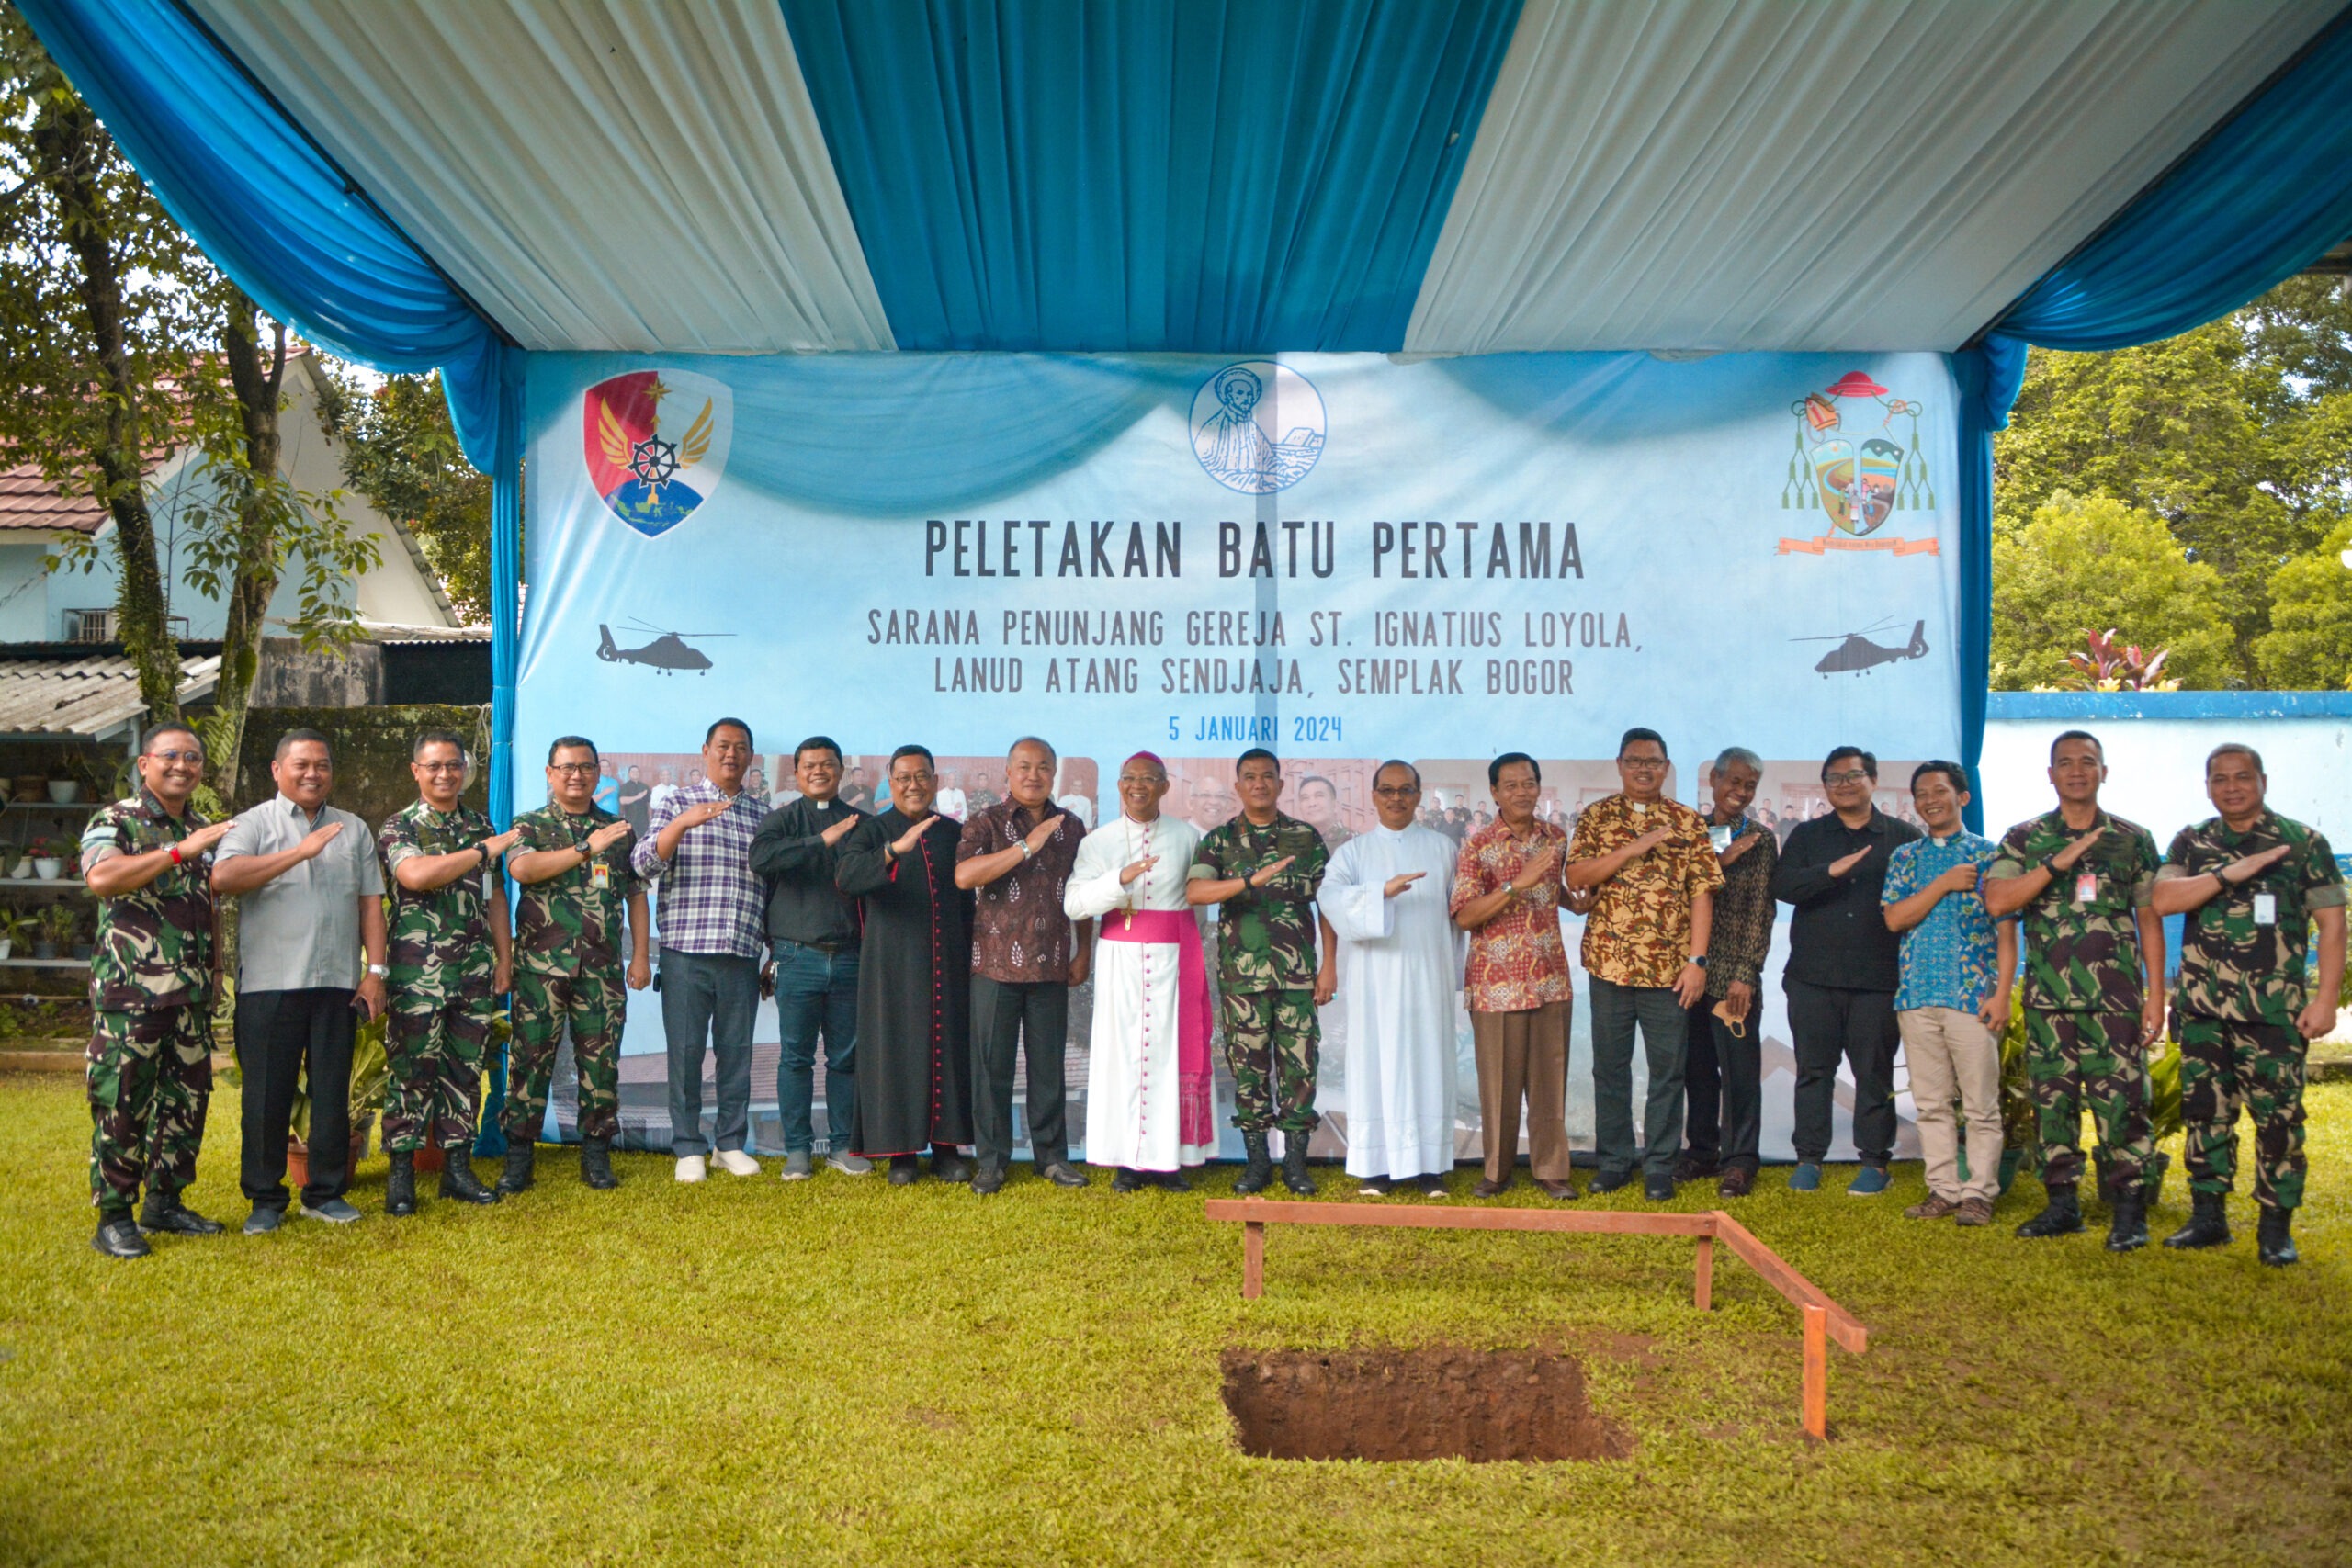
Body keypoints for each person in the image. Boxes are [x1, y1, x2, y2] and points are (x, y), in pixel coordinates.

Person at [2151, 743, 2345, 1266]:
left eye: (2242, 777)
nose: (2231, 787)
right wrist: (2228, 874)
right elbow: (2164, 900)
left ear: (2263, 780)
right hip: (2201, 1011)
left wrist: (2324, 1000)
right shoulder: (2192, 842)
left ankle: (2275, 1227)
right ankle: (2208, 1217)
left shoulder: (2303, 842)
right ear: (2207, 785)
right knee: (2204, 1115)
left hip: (2274, 1014)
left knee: (2279, 1119)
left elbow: (2331, 926)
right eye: (2220, 779)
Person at [1984, 730, 2165, 1249]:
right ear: (2050, 774)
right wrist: (2056, 864)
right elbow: (1998, 901)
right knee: (2052, 1105)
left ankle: (2130, 1212)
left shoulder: (2133, 839)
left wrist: (2156, 996)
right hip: (2048, 1004)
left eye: (2088, 762)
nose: (2077, 771)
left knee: (2125, 1106)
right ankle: (2062, 1206)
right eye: (2066, 763)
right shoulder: (2025, 838)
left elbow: (2149, 919)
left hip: (2117, 1003)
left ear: (2104, 771)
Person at [212, 729, 387, 1231]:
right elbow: (223, 878)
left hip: (336, 981)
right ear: (276, 770)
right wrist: (300, 853)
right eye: (302, 764)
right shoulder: (252, 824)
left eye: (323, 765)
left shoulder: (353, 829)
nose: (313, 774)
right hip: (270, 984)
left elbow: (369, 904)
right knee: (266, 1095)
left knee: (332, 1092)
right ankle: (266, 1200)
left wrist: (374, 974)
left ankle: (325, 1193)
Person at [80, 724, 235, 1258]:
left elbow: (207, 903)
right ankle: (115, 1216)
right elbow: (102, 879)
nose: (182, 766)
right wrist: (177, 851)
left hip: (190, 993)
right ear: (145, 763)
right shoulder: (116, 820)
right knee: (123, 1101)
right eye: (171, 756)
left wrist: (215, 970)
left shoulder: (198, 825)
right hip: (131, 995)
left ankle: (165, 1202)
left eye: (192, 757)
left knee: (185, 1101)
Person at [1566, 728, 1721, 1201]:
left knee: (1667, 1072)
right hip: (1609, 966)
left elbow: (1702, 893)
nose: (1643, 769)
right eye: (1634, 761)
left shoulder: (1687, 822)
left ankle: (1659, 1165)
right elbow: (1576, 876)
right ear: (1619, 765)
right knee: (1609, 1068)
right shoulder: (1597, 818)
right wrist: (1631, 849)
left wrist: (1697, 961)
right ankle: (1613, 1161)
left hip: (1670, 972)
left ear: (1666, 766)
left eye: (1653, 761)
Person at [377, 729, 516, 1215]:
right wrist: (482, 851)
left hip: (474, 971)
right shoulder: (400, 826)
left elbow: (496, 896)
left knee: (465, 1069)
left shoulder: (481, 822)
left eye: (453, 765)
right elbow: (414, 875)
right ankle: (401, 1174)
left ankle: (457, 1168)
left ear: (464, 770)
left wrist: (504, 957)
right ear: (416, 771)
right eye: (434, 766)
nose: (444, 774)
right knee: (411, 1070)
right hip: (417, 974)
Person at [503, 736, 650, 1192]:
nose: (576, 775)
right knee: (530, 1061)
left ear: (597, 773)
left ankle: (596, 1153)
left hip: (602, 970)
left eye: (586, 767)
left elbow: (636, 894)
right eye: (566, 767)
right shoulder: (529, 825)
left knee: (601, 1064)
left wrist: (641, 954)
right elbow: (523, 871)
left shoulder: (618, 828)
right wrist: (586, 848)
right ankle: (518, 1156)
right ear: (549, 773)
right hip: (539, 969)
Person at [1770, 746, 1919, 1197]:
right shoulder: (1808, 836)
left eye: (1854, 775)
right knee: (1814, 1071)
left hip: (1878, 979)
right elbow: (1784, 886)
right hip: (1813, 977)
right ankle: (1809, 1158)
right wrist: (1830, 872)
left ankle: (1875, 1162)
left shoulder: (1904, 837)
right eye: (1834, 779)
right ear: (1825, 788)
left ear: (1873, 779)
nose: (1845, 784)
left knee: (1873, 1072)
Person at [1064, 753, 1216, 1189]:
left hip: (1173, 958)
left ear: (1165, 787)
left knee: (1169, 1057)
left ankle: (1169, 1160)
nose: (1138, 786)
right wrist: (1119, 880)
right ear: (1119, 785)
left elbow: (1199, 905)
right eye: (1129, 778)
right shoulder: (1099, 842)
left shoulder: (1188, 837)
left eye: (1148, 780)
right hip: (1119, 960)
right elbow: (1074, 905)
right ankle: (1127, 1161)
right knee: (1122, 1056)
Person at [1189, 748, 1333, 1196]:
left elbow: (1329, 904)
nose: (1258, 784)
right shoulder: (1220, 840)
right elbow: (1196, 891)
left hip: (1297, 979)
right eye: (1249, 777)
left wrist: (1329, 966)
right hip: (1242, 981)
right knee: (1248, 1070)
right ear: (1237, 787)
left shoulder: (1304, 837)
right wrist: (1249, 880)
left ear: (1280, 784)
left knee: (1299, 1068)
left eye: (1267, 776)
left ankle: (1295, 1165)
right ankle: (1256, 1165)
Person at [1317, 761, 1464, 1197]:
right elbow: (1328, 898)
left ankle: (1430, 1164)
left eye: (1405, 790)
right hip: (1374, 980)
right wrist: (1380, 891)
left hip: (1427, 974)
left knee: (1429, 1061)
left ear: (1419, 796)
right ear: (1374, 796)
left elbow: (1460, 913)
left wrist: (1454, 972)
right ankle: (1375, 1164)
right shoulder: (1354, 852)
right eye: (1387, 790)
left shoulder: (1443, 848)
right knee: (1375, 1063)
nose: (1396, 798)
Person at [955, 737, 1092, 1194]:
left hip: (1052, 965)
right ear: (1008, 773)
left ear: (1054, 774)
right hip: (994, 967)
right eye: (1024, 767)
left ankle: (1052, 1159)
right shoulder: (985, 821)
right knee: (991, 1068)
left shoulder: (1072, 826)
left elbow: (1085, 893)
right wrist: (1027, 847)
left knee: (1048, 1067)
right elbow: (964, 876)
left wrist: (1083, 951)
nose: (1033, 775)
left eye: (1043, 767)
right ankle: (991, 1162)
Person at [631, 718, 767, 1182]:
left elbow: (770, 888)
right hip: (687, 952)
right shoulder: (676, 801)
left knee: (737, 1053)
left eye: (741, 748)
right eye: (723, 746)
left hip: (742, 954)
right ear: (705, 751)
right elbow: (644, 861)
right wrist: (684, 824)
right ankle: (688, 1146)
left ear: (750, 757)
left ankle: (729, 1144)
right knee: (686, 1053)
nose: (732, 754)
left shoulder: (762, 815)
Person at [1881, 761, 2015, 1227]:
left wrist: (2003, 993)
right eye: (1921, 793)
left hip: (1972, 996)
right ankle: (1943, 1189)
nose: (1930, 799)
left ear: (1963, 797)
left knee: (1980, 1105)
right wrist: (1941, 883)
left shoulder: (1992, 857)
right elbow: (1895, 919)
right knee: (1932, 1104)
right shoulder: (1904, 858)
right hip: (1916, 994)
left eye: (1940, 790)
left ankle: (1979, 1193)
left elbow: (2006, 933)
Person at [835, 746, 977, 1183]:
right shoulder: (871, 830)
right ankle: (901, 1153)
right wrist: (893, 851)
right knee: (896, 1049)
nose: (913, 785)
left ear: (935, 781)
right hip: (891, 964)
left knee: (950, 1047)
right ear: (890, 782)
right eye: (903, 778)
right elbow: (848, 878)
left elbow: (971, 897)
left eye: (921, 777)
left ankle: (948, 1149)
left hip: (948, 961)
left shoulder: (955, 832)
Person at [1450, 752, 1580, 1200]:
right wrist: (1515, 884)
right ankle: (1496, 1171)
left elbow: (1556, 891)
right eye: (1511, 785)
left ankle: (1551, 1169)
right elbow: (1465, 915)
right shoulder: (1477, 844)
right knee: (1498, 1085)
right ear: (1494, 792)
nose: (1522, 792)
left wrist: (1577, 901)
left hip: (1549, 978)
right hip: (1495, 984)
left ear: (1539, 787)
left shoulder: (1556, 838)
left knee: (1550, 1080)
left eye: (1529, 783)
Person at [750, 737, 869, 1179]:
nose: (819, 771)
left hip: (851, 957)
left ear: (841, 771)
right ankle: (797, 1149)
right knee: (795, 1058)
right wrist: (820, 841)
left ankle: (842, 1144)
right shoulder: (779, 821)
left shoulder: (862, 823)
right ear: (796, 774)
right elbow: (761, 859)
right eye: (809, 766)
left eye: (828, 765)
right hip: (796, 957)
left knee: (844, 1058)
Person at [1678, 747, 1779, 1199]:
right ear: (1714, 781)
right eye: (1733, 782)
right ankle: (1701, 1152)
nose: (1740, 792)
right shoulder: (1689, 833)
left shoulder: (1760, 839)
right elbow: (1677, 898)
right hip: (1687, 975)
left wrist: (1746, 974)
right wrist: (1720, 862)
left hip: (1733, 977)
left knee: (1739, 1072)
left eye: (1749, 785)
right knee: (1696, 1070)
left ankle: (1740, 1161)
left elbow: (1762, 911)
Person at [1295, 773, 1352, 850]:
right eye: (1305, 798)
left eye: (1319, 795)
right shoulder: (1294, 844)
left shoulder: (1354, 841)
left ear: (1335, 805)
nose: (1312, 803)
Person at [617, 764, 650, 838]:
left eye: (637, 771)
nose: (635, 773)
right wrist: (637, 797)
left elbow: (649, 803)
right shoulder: (625, 787)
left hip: (644, 821)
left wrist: (650, 817)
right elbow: (622, 800)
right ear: (629, 774)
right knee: (631, 842)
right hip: (630, 820)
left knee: (644, 842)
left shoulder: (645, 787)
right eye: (633, 771)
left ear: (639, 773)